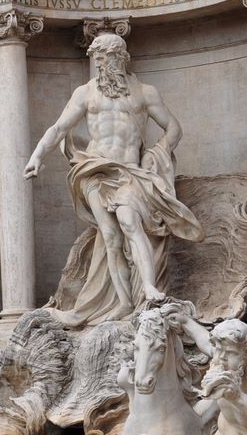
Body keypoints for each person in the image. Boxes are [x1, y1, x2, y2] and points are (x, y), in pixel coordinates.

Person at [25, 33, 203, 328]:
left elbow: (174, 128)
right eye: (96, 58)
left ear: (120, 57)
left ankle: (148, 288)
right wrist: (36, 157)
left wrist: (157, 152)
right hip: (95, 170)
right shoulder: (85, 93)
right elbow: (58, 129)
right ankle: (123, 302)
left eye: (104, 58)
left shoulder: (145, 92)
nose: (99, 64)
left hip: (129, 171)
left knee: (130, 221)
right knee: (109, 235)